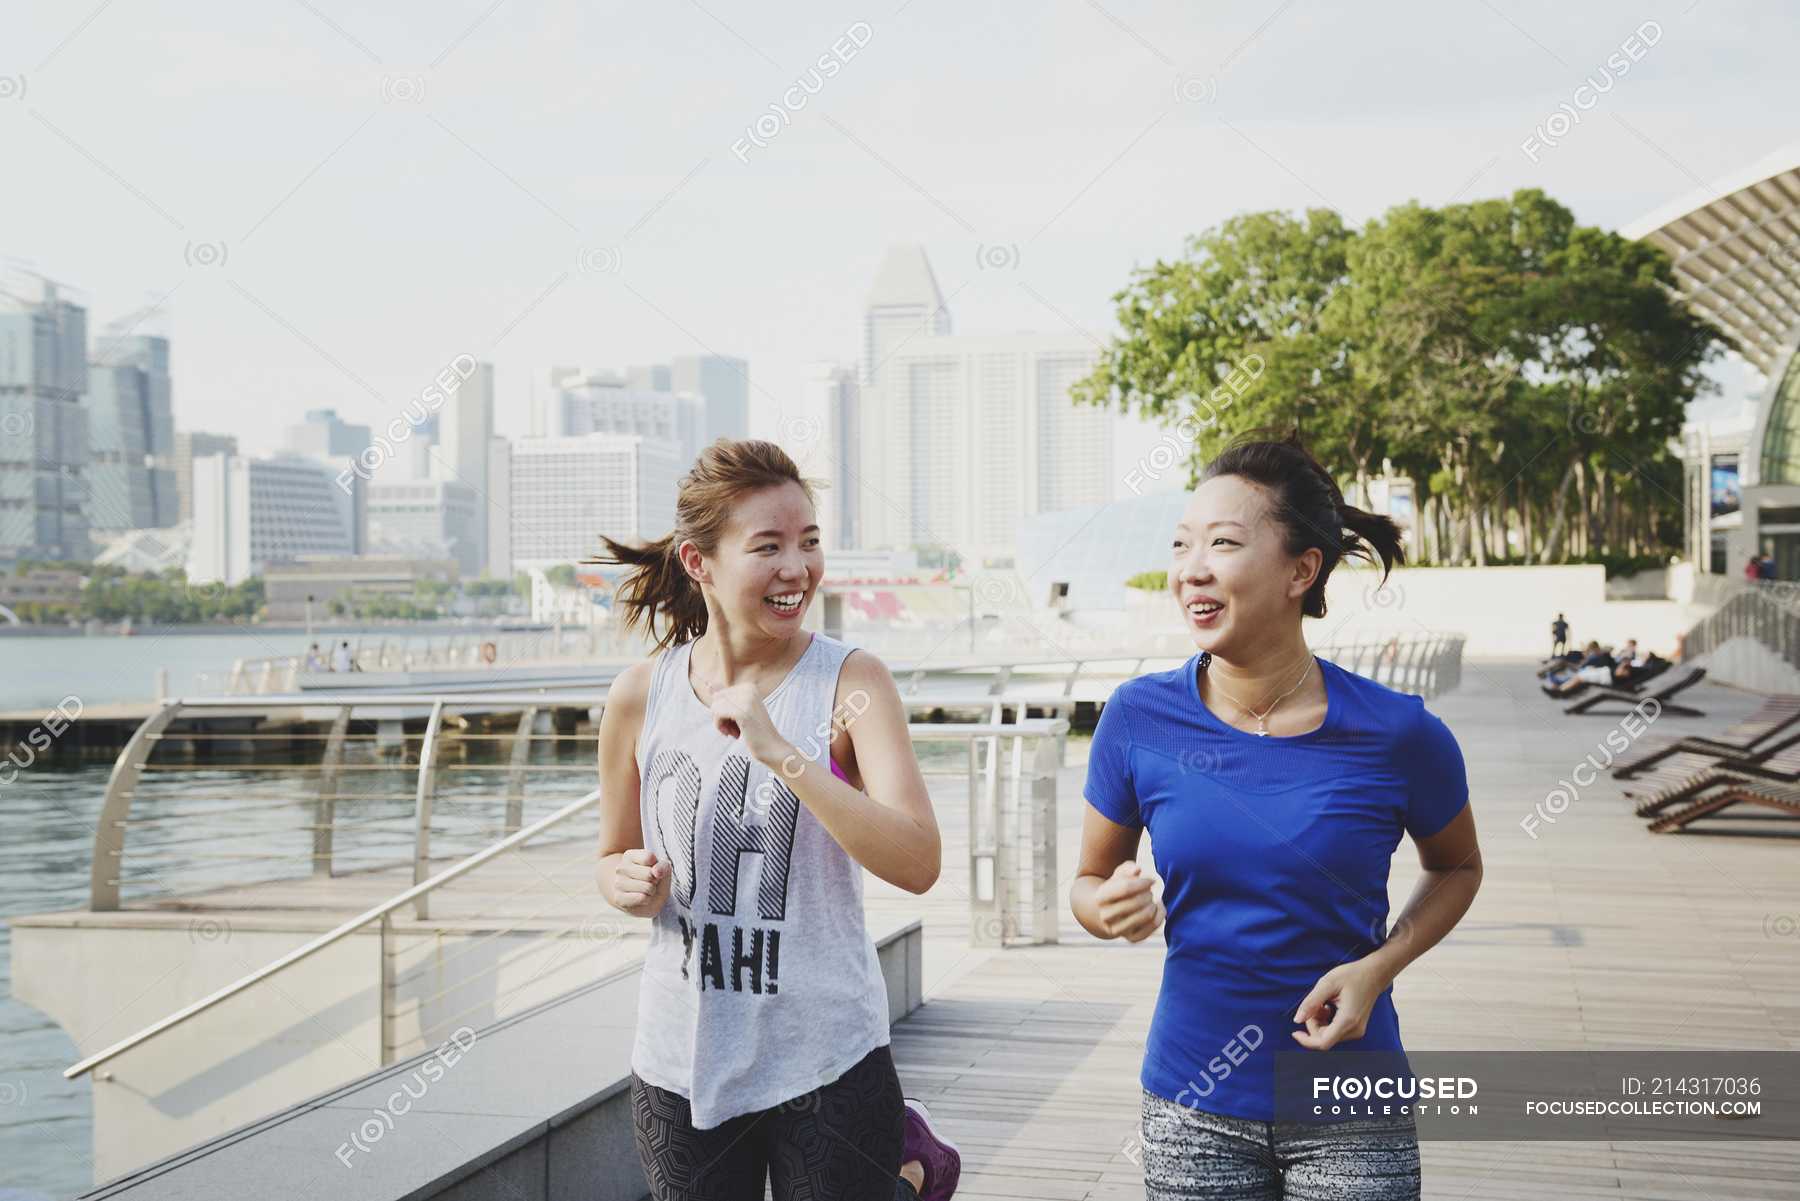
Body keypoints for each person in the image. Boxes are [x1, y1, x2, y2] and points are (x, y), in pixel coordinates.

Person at [1071, 431, 1481, 1201]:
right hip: (1191, 1103)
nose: (1192, 566)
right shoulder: (1137, 717)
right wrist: (1106, 907)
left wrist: (1378, 967)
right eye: (1182, 544)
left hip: (1350, 1104)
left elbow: (1458, 865)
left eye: (1224, 543)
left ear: (1302, 569)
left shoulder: (1397, 731)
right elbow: (1088, 882)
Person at [592, 439, 961, 1201]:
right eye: (768, 546)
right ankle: (908, 1171)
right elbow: (611, 854)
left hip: (826, 1055)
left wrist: (785, 753)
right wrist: (624, 880)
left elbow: (918, 860)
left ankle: (907, 1161)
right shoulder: (639, 696)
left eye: (809, 541)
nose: (797, 568)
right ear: (700, 563)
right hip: (678, 1056)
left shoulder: (852, 681)